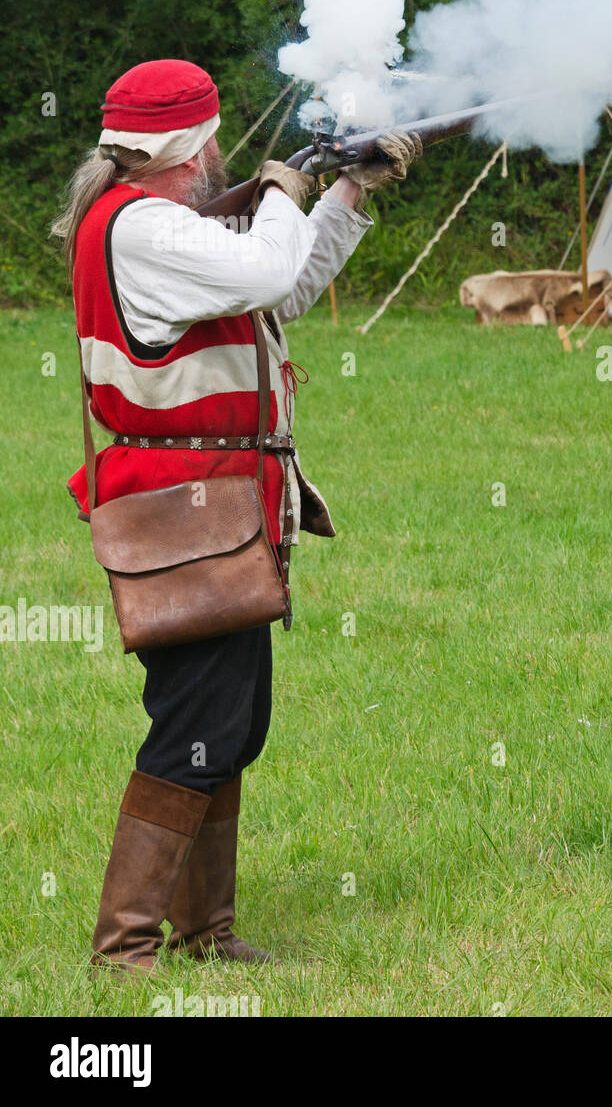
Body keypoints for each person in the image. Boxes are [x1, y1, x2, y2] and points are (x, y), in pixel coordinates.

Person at [52, 58, 418, 973]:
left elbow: (281, 288)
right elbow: (266, 266)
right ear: (187, 147)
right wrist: (290, 191)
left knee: (233, 721)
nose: (222, 151)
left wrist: (343, 191)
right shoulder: (137, 227)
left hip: (218, 507)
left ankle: (203, 931)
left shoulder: (162, 222)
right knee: (197, 723)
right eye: (210, 137)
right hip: (186, 510)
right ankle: (125, 949)